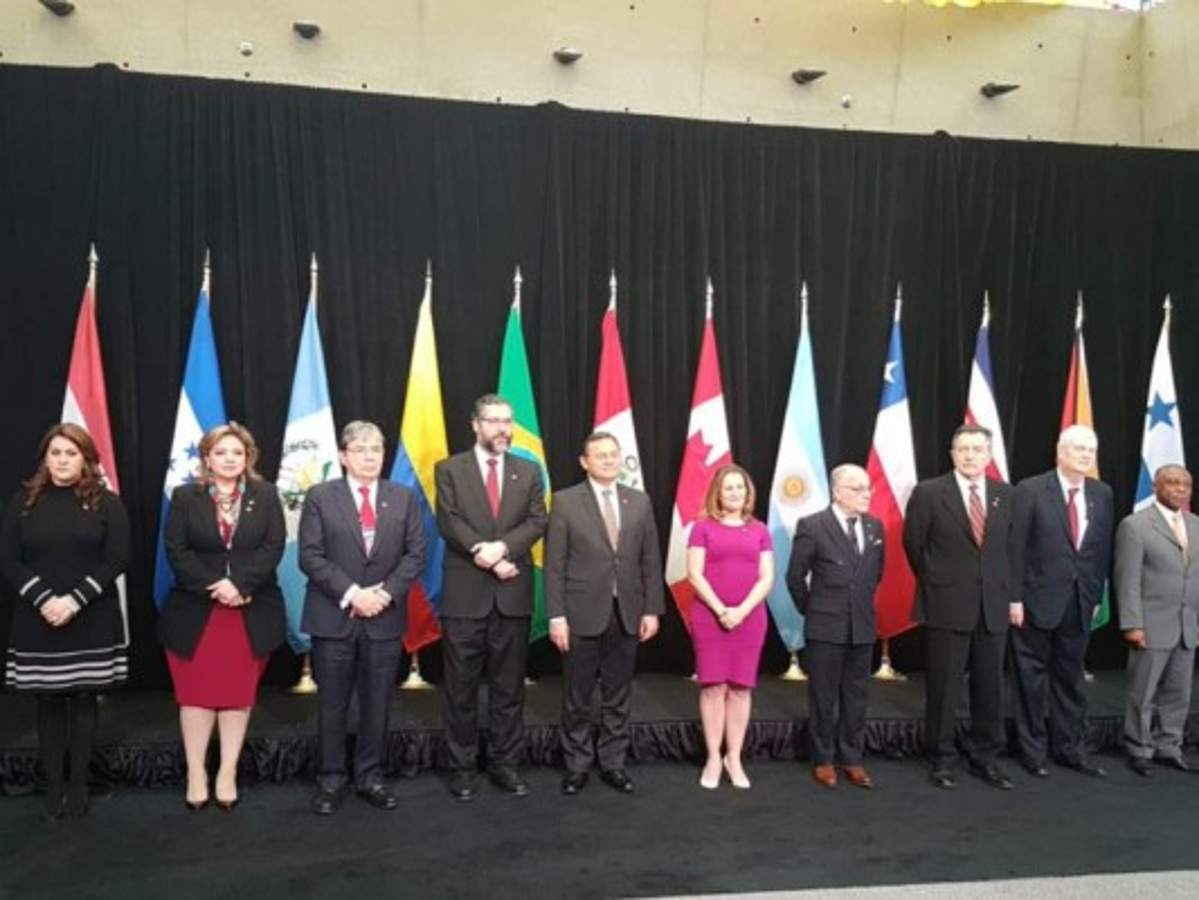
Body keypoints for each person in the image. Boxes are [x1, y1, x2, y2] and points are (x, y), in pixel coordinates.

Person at [1, 423, 129, 820]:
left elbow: (118, 558)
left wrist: (74, 600)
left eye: (71, 453)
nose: (62, 460)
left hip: (89, 615)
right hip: (37, 616)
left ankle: (78, 786)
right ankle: (54, 786)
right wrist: (45, 600)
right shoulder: (23, 502)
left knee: (84, 698)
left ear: (86, 459)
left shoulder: (107, 503)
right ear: (45, 458)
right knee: (48, 701)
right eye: (55, 453)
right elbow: (9, 559)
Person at [158, 422, 286, 812]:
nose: (230, 459)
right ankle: (196, 773)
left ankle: (226, 772)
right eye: (221, 452)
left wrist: (240, 584)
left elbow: (274, 545)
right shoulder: (185, 497)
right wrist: (216, 585)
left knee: (235, 696)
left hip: (249, 609)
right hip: (196, 611)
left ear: (248, 458)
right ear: (207, 458)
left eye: (237, 453)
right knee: (196, 697)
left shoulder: (266, 495)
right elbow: (176, 550)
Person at [300, 420, 426, 814]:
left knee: (377, 703)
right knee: (333, 704)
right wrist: (353, 594)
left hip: (384, 618)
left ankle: (371, 777)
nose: (369, 457)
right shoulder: (321, 496)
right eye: (360, 449)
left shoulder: (402, 497)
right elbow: (310, 556)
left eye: (376, 449)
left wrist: (384, 595)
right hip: (333, 615)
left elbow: (416, 554)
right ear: (343, 456)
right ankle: (331, 779)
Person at [435, 394, 548, 801]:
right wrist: (483, 553)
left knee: (509, 688)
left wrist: (501, 549)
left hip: (512, 594)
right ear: (475, 424)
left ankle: (505, 764)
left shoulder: (528, 470)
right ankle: (462, 768)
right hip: (465, 595)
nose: (503, 428)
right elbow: (449, 520)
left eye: (507, 420)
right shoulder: (450, 469)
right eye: (494, 420)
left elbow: (537, 519)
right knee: (461, 689)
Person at [546, 432, 663, 796]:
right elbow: (554, 565)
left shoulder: (639, 501)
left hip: (627, 612)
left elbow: (650, 560)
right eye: (601, 455)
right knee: (577, 695)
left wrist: (652, 609)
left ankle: (613, 763)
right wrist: (556, 616)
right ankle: (577, 765)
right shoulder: (565, 502)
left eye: (614, 454)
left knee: (618, 694)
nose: (610, 460)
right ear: (585, 462)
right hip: (579, 613)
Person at [903, 423, 1015, 790]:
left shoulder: (1006, 494)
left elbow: (1012, 549)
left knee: (990, 687)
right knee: (944, 686)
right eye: (963, 449)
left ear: (989, 455)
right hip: (946, 603)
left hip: (992, 605)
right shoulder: (929, 492)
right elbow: (914, 545)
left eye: (977, 450)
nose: (970, 456)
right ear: (952, 454)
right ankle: (941, 757)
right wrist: (939, 579)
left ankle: (986, 758)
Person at [1009, 425, 1114, 778]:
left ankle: (1069, 749)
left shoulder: (1102, 492)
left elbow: (1101, 549)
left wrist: (1096, 594)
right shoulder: (1031, 489)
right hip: (1035, 601)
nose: (1086, 455)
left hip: (1081, 601)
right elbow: (1016, 547)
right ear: (1060, 452)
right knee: (1031, 680)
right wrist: (1014, 598)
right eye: (1079, 448)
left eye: (1091, 450)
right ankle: (1033, 752)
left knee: (1071, 680)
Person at [787, 463, 883, 790]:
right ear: (838, 492)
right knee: (823, 697)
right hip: (825, 626)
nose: (866, 494)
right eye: (858, 488)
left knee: (856, 696)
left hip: (862, 625)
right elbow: (795, 577)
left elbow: (874, 575)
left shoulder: (874, 526)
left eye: (868, 488)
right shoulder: (813, 526)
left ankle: (852, 758)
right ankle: (824, 759)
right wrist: (814, 610)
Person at [686, 464, 774, 790]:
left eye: (740, 487)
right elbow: (694, 574)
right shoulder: (702, 528)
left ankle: (733, 757)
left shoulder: (760, 530)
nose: (735, 493)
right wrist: (722, 610)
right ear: (718, 494)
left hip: (750, 619)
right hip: (710, 617)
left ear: (748, 493)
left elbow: (767, 577)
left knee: (740, 688)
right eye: (729, 488)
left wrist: (742, 611)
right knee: (712, 687)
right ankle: (713, 756)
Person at [1114, 464, 1199, 776]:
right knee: (1144, 692)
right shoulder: (1135, 526)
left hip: (1187, 625)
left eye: (1185, 485)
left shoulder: (1196, 524)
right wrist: (1132, 624)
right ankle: (1139, 748)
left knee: (1179, 693)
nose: (1180, 489)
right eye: (1173, 483)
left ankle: (1169, 746)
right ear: (1156, 487)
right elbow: (1127, 579)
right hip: (1150, 625)